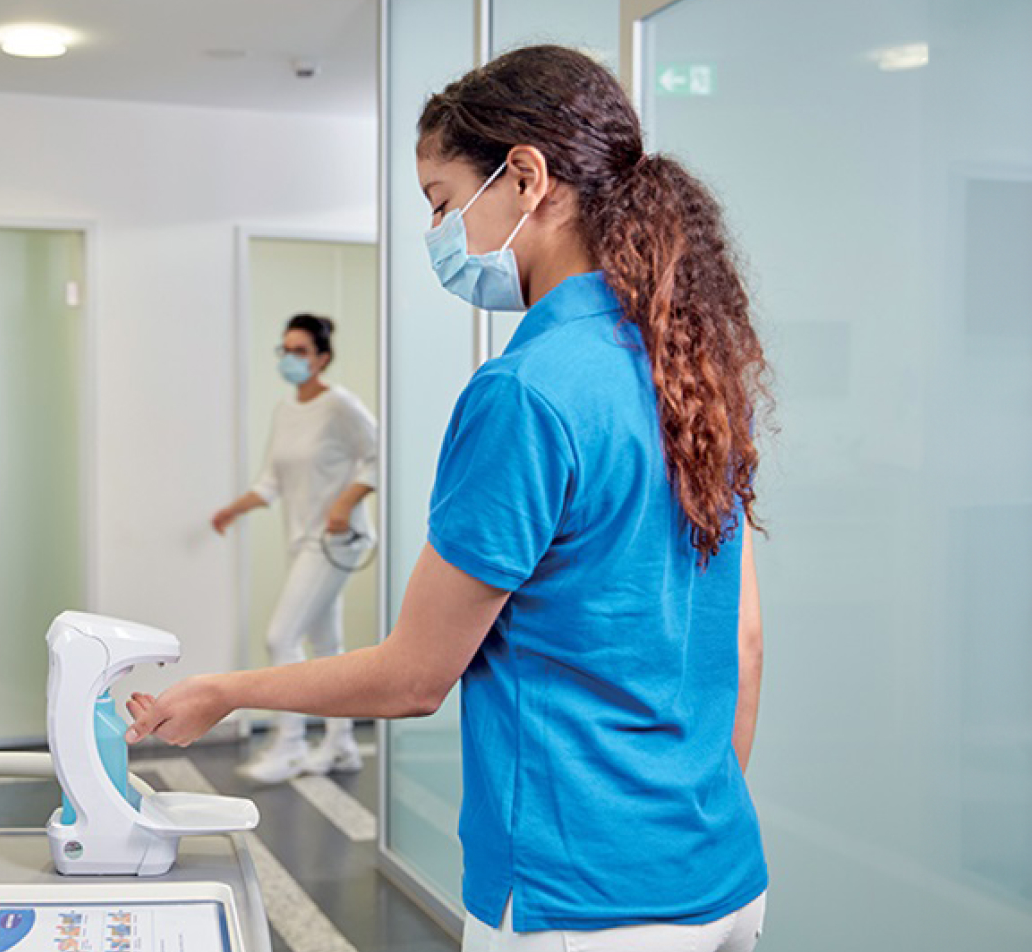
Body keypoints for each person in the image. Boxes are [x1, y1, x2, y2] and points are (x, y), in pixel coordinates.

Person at [130, 46, 770, 952]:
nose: (440, 232)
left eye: (441, 201)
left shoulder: (527, 391)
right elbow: (742, 643)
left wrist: (227, 690)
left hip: (578, 901)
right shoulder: (687, 369)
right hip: (720, 877)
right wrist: (681, 838)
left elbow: (413, 677)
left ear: (526, 177)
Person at [211, 313, 378, 783]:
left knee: (281, 637)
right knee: (327, 647)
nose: (290, 358)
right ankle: (341, 743)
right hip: (301, 539)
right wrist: (232, 510)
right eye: (285, 349)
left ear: (322, 358)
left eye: (300, 350)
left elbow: (380, 452)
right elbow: (270, 481)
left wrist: (346, 501)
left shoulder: (340, 406)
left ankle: (289, 744)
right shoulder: (286, 410)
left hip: (335, 541)